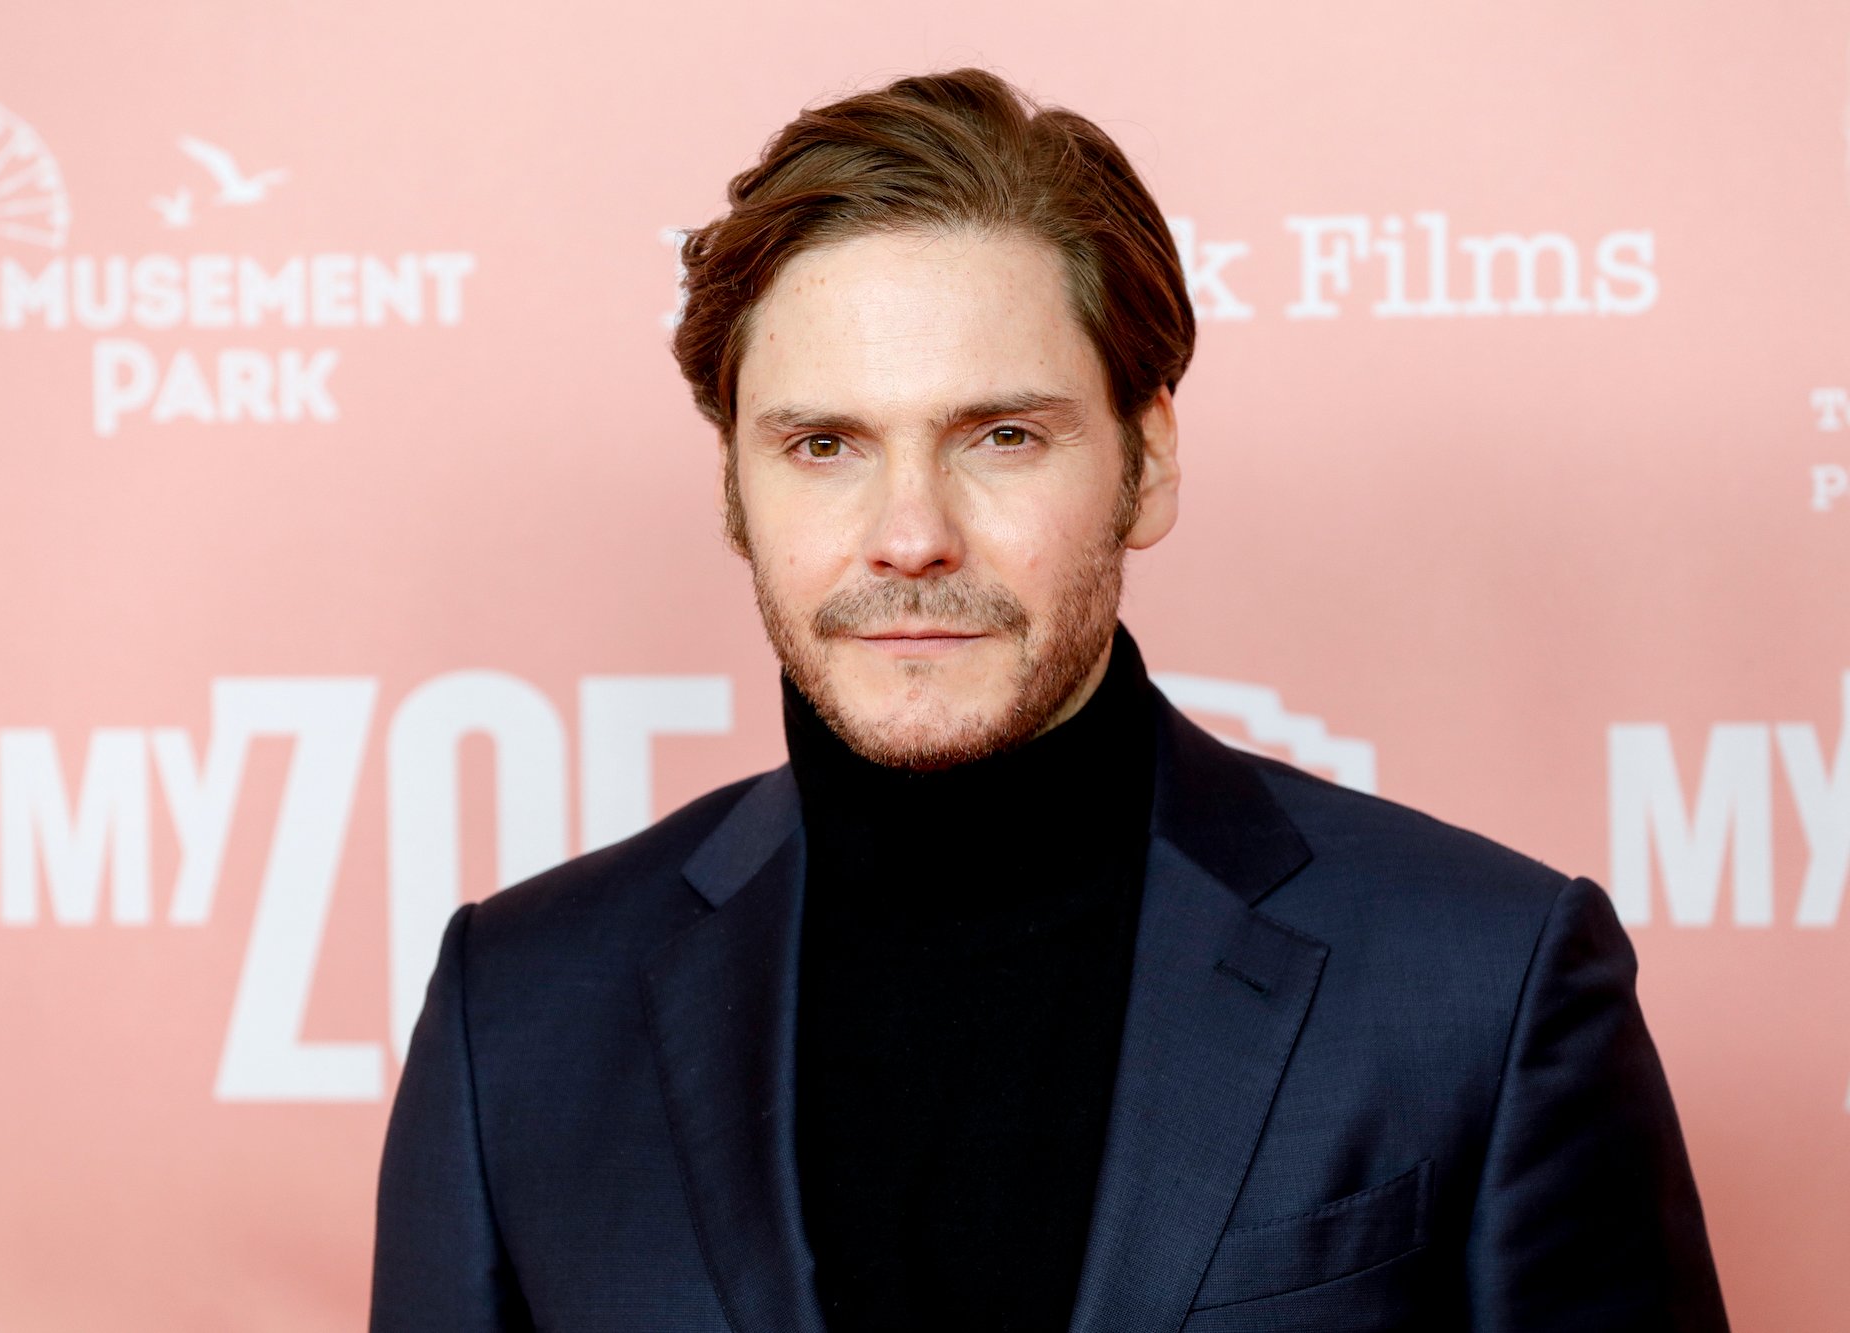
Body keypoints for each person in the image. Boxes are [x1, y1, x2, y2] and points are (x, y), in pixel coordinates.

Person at [370, 68, 1727, 1332]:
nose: (911, 535)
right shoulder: (521, 1014)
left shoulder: (1485, 983)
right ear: (737, 486)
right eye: (825, 444)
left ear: (1149, 465)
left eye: (1002, 435)